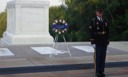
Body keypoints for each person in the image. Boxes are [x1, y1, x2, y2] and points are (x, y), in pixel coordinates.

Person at [89, 8, 109, 77]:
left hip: (104, 41)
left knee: (103, 56)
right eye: (99, 12)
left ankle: (101, 71)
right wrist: (93, 42)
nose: (100, 13)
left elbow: (107, 31)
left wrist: (107, 40)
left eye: (101, 12)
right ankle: (97, 71)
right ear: (96, 13)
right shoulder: (94, 21)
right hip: (97, 41)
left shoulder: (105, 20)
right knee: (98, 56)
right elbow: (91, 32)